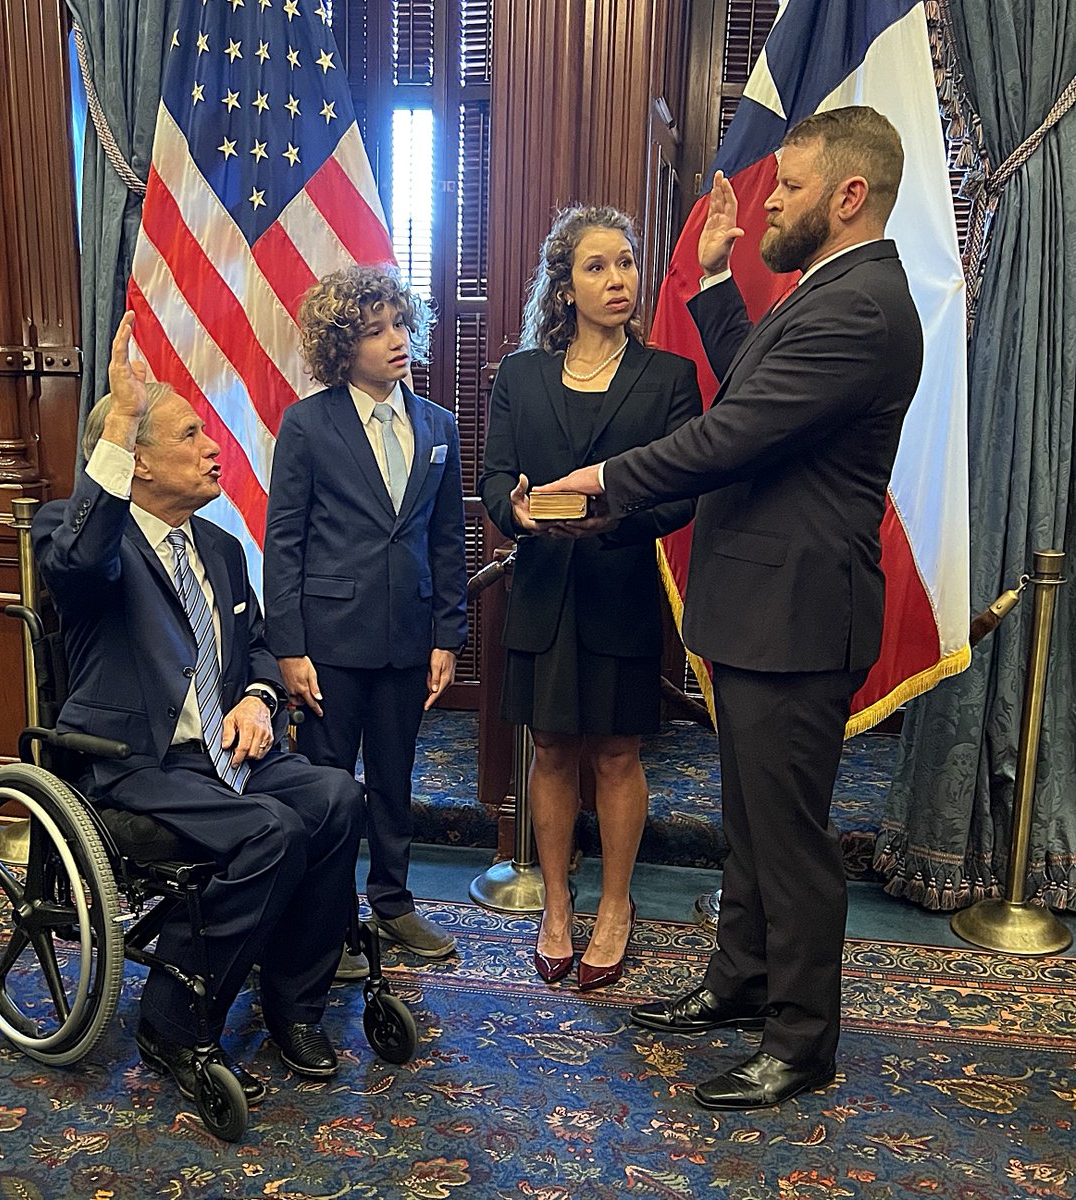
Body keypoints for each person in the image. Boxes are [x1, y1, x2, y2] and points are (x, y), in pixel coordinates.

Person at [539, 107, 924, 1106]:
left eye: (786, 188)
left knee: (788, 844)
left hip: (795, 618)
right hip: (764, 611)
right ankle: (740, 984)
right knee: (749, 828)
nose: (768, 204)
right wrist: (711, 281)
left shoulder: (860, 306)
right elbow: (761, 376)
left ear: (846, 197)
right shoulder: (831, 292)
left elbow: (736, 431)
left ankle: (798, 1042)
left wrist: (602, 476)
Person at [34, 310, 365, 1101]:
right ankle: (173, 1024)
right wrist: (118, 415)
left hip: (228, 752)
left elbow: (252, 645)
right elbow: (78, 558)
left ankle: (293, 1005)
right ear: (137, 464)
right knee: (271, 831)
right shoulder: (87, 540)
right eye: (189, 435)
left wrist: (256, 698)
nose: (214, 446)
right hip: (135, 765)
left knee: (336, 796)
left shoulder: (217, 545)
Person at [479, 205, 701, 991]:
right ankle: (557, 908)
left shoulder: (669, 378)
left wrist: (616, 518)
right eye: (597, 266)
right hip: (543, 587)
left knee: (615, 751)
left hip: (620, 588)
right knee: (553, 748)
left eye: (627, 263)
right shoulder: (521, 375)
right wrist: (517, 510)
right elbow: (493, 478)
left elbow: (683, 493)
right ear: (564, 285)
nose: (618, 280)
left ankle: (614, 905)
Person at [264, 266, 468, 978]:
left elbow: (447, 542)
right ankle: (330, 919)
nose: (396, 341)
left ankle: (393, 899)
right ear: (341, 347)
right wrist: (288, 647)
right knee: (328, 785)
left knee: (394, 776)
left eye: (400, 325)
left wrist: (448, 635)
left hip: (409, 640)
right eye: (375, 330)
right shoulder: (307, 423)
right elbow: (283, 541)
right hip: (328, 644)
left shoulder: (438, 425)